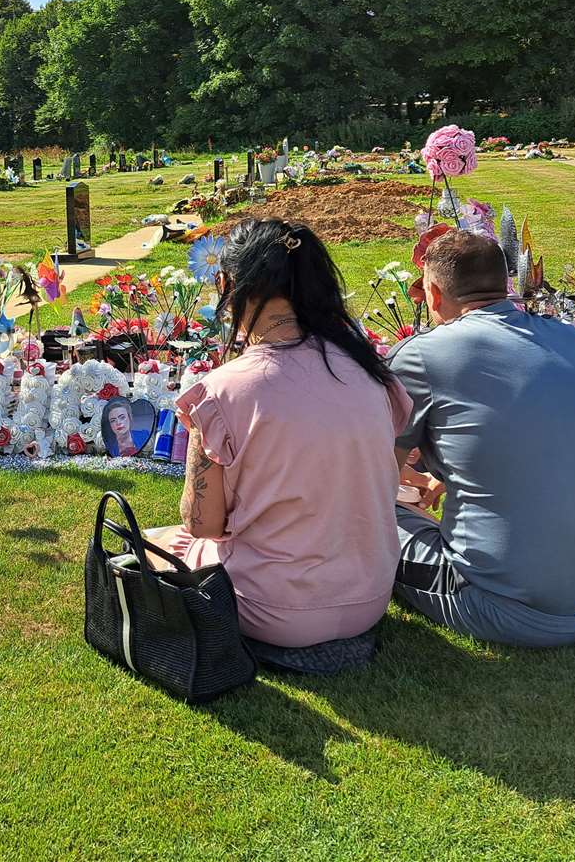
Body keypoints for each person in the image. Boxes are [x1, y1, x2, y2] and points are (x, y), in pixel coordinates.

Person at [147, 219, 412, 648]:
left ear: (227, 284)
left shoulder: (223, 389)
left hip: (272, 609)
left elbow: (202, 523)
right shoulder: (371, 373)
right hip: (370, 597)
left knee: (159, 543)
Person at [388, 231, 575, 647]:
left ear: (434, 295)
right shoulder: (569, 338)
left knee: (380, 519)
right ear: (505, 284)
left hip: (509, 609)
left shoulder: (421, 355)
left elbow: (372, 473)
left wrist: (409, 490)